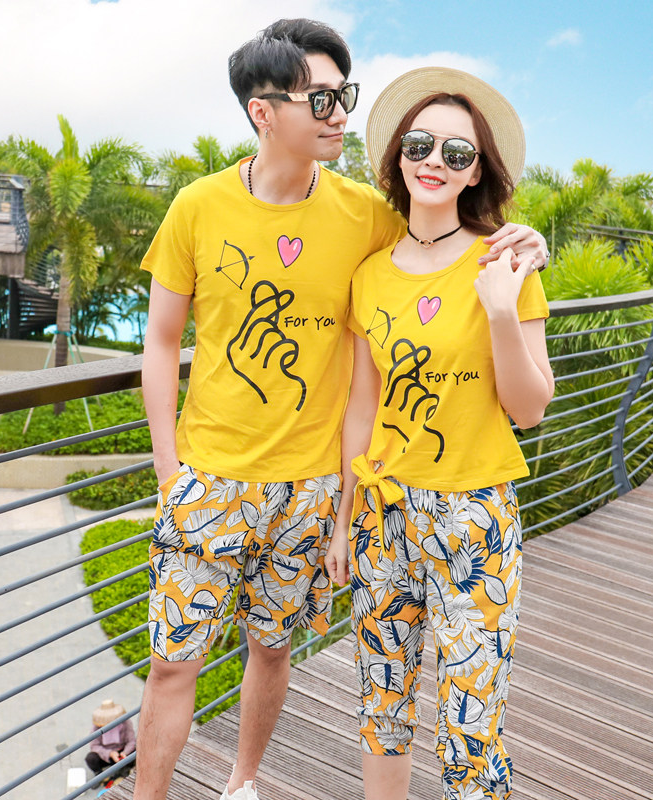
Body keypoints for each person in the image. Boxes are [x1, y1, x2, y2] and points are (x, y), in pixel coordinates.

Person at [136, 18, 549, 800]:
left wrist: (525, 248)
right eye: (321, 99)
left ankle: (243, 784)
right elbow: (161, 342)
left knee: (287, 654)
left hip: (333, 492)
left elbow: (450, 236)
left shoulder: (369, 217)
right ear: (263, 112)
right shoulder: (199, 207)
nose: (339, 114)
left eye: (343, 96)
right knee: (179, 665)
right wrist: (169, 473)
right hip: (223, 482)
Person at [325, 67, 555, 800]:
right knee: (382, 707)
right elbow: (362, 409)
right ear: (398, 154)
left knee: (470, 727)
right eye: (420, 144)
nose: (435, 161)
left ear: (476, 170)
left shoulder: (507, 262)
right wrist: (344, 519)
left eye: (457, 152)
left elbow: (531, 407)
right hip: (384, 514)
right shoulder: (370, 275)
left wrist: (500, 311)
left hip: (474, 517)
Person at [86, 699, 136, 784]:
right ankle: (99, 775)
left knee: (135, 751)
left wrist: (125, 752)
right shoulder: (96, 727)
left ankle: (124, 770)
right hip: (105, 754)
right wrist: (110, 753)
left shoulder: (126, 723)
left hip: (122, 751)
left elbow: (131, 741)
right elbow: (94, 746)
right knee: (91, 758)